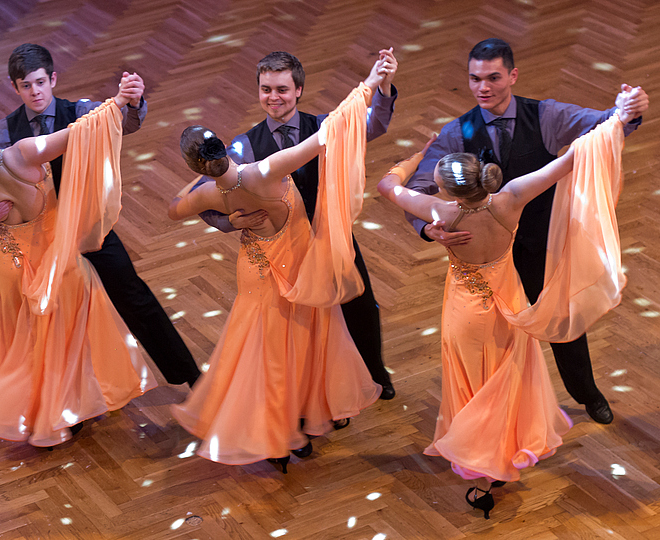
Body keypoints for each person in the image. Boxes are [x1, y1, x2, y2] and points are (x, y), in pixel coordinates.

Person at [377, 93, 635, 517]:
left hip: (464, 312)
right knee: (507, 379)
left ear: (448, 188)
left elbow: (389, 187)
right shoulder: (510, 198)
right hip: (510, 304)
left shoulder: (439, 211)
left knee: (474, 386)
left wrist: (415, 155)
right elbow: (569, 161)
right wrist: (618, 119)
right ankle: (508, 447)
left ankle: (485, 461)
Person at [168, 52, 395, 472]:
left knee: (358, 310)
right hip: (281, 254)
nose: (274, 97)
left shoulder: (320, 124)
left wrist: (379, 87)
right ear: (258, 93)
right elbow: (209, 199)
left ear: (298, 90)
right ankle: (312, 408)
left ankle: (371, 378)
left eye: (282, 89)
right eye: (266, 90)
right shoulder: (245, 145)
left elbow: (373, 126)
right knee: (301, 334)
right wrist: (231, 220)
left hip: (331, 239)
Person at [404, 38, 649, 424]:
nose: (483, 87)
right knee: (492, 339)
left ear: (513, 76)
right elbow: (417, 190)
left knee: (561, 323)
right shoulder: (456, 133)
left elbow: (602, 127)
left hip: (539, 247)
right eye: (474, 79)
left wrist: (627, 111)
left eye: (493, 78)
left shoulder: (547, 116)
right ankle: (500, 412)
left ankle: (587, 393)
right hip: (484, 260)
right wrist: (427, 228)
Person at [0, 74, 157, 447]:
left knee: (28, 340)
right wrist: (118, 99)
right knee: (68, 335)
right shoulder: (22, 153)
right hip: (56, 261)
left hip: (11, 267)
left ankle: (41, 410)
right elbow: (81, 130)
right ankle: (69, 406)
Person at [0, 43, 201, 388]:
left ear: (53, 79)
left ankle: (189, 376)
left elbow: (120, 120)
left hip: (87, 228)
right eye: (26, 85)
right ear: (14, 87)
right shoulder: (2, 131)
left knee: (133, 297)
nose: (35, 91)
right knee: (55, 320)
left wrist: (132, 100)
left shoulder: (80, 111)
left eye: (40, 82)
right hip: (38, 243)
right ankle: (68, 406)